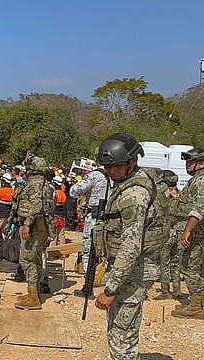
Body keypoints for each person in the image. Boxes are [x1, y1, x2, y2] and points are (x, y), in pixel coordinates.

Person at [94, 133, 163, 359]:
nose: (110, 172)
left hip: (134, 271)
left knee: (122, 334)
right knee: (119, 328)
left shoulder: (134, 194)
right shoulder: (130, 181)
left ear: (133, 162)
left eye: (116, 167)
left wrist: (110, 289)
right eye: (107, 167)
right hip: (130, 269)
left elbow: (130, 247)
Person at [10, 152, 54, 310]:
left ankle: (33, 297)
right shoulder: (47, 184)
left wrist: (27, 224)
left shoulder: (34, 184)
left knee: (27, 260)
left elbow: (37, 206)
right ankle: (34, 293)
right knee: (35, 259)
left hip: (33, 227)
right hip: (42, 227)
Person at [170, 148, 204, 319]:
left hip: (196, 235)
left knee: (189, 267)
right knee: (198, 269)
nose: (187, 165)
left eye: (191, 162)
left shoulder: (200, 181)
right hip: (196, 233)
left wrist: (187, 231)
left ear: (202, 163)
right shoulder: (196, 180)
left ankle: (196, 306)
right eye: (187, 162)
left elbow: (199, 209)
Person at [70, 159, 110, 298]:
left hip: (94, 218)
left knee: (89, 252)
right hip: (112, 219)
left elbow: (74, 191)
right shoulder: (117, 175)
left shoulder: (95, 175)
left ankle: (88, 287)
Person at [152, 169, 181, 300]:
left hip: (167, 233)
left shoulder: (162, 196)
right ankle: (177, 289)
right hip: (179, 233)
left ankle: (165, 291)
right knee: (175, 263)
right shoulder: (180, 196)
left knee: (164, 263)